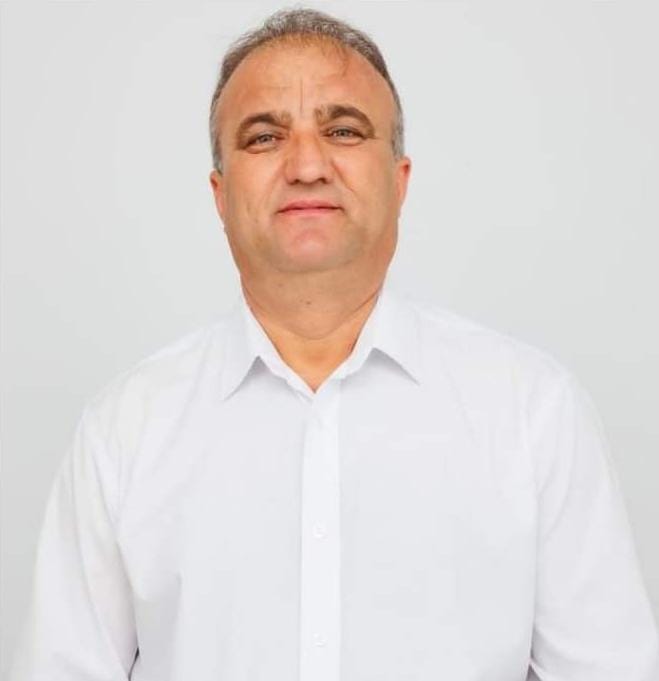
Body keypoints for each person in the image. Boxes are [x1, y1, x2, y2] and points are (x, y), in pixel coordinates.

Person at [9, 7, 659, 681]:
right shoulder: (124, 430)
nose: (307, 165)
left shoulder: (533, 413)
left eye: (343, 130)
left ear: (399, 180)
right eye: (264, 137)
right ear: (220, 195)